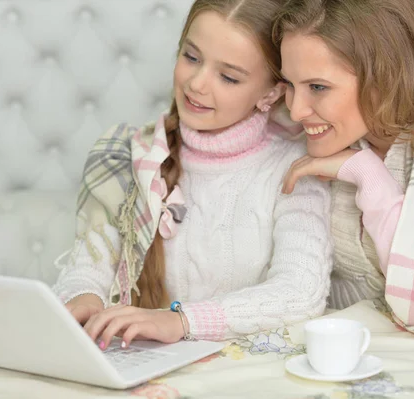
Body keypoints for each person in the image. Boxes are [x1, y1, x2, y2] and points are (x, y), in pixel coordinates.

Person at [52, 0, 333, 350]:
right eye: (191, 57)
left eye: (228, 77)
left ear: (271, 92)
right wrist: (84, 297)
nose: (197, 83)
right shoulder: (133, 153)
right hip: (146, 363)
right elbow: (88, 266)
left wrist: (182, 321)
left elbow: (300, 291)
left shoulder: (295, 168)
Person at [275, 0, 414, 351]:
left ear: (388, 76)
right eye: (289, 83)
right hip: (347, 351)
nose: (296, 109)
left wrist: (368, 176)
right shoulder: (301, 135)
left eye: (318, 87)